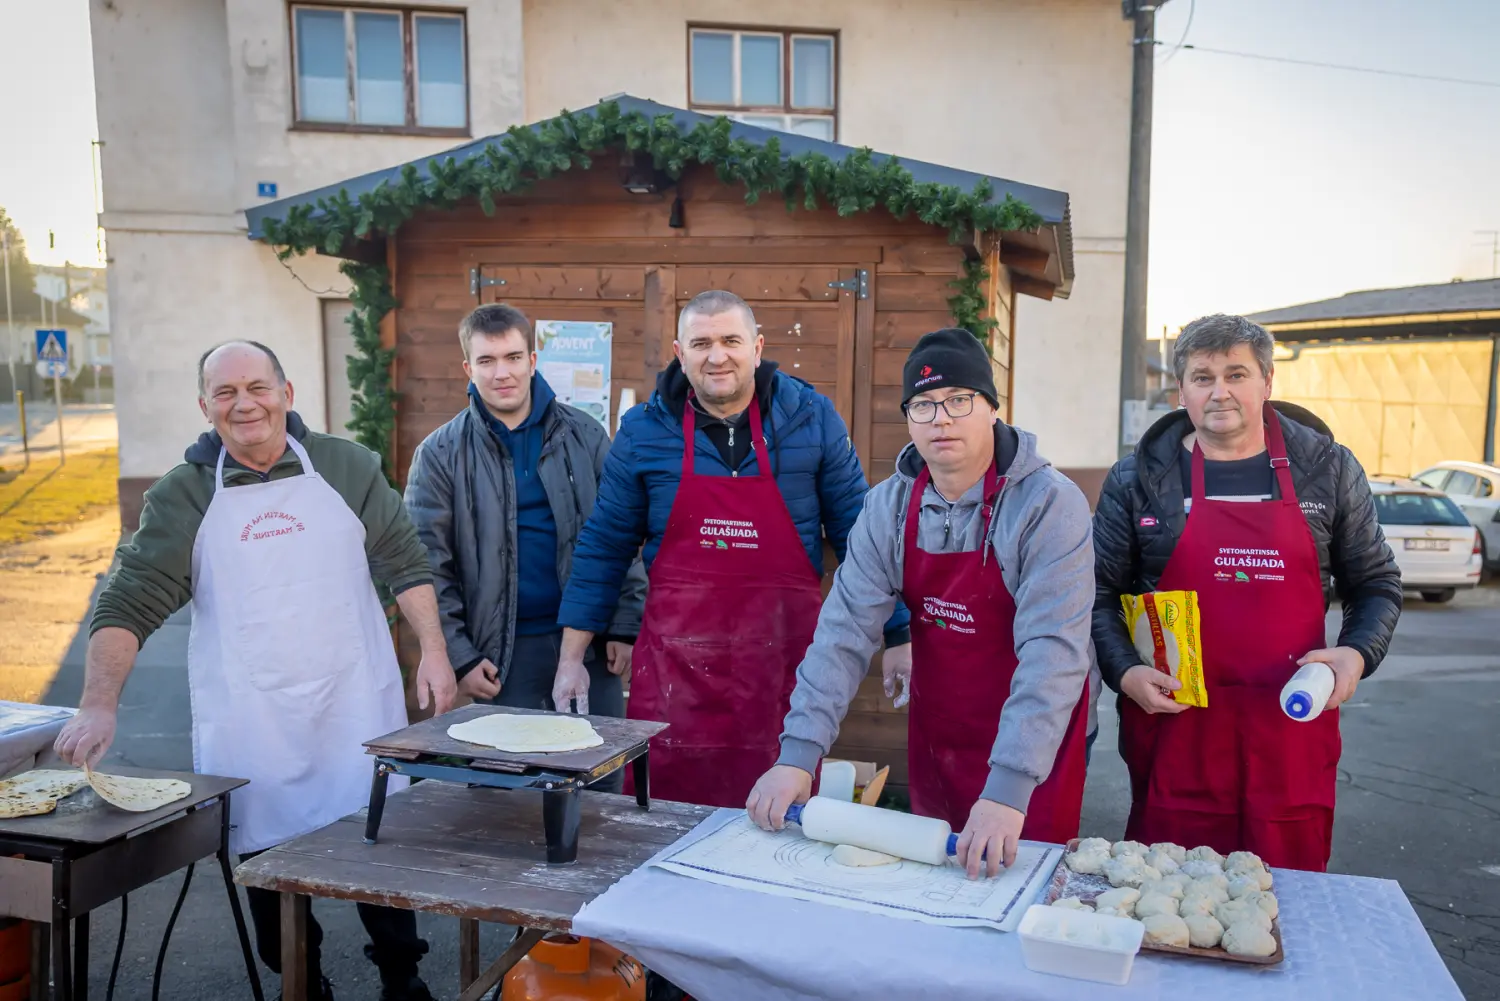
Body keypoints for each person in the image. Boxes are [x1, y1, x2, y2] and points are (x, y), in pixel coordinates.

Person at [54, 341, 456, 1001]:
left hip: (352, 702)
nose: (245, 404)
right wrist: (100, 701)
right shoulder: (182, 494)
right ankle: (302, 981)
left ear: (287, 392)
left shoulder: (344, 465)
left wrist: (434, 649)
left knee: (377, 839)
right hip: (254, 718)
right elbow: (128, 601)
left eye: (258, 387)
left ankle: (401, 976)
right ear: (205, 405)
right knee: (266, 861)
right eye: (225, 392)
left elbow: (404, 559)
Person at [746, 328, 1095, 878]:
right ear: (908, 418)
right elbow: (841, 635)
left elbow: (1054, 653)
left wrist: (1008, 789)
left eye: (959, 400)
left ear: (992, 408)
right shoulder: (887, 507)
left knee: (1021, 891)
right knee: (933, 887)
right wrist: (797, 756)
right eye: (925, 405)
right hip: (943, 733)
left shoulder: (1048, 505)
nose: (942, 419)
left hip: (1034, 747)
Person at [554, 290, 911, 808]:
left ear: (758, 346)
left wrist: (899, 632)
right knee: (667, 820)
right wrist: (571, 657)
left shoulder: (811, 419)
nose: (716, 356)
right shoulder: (643, 433)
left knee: (779, 819)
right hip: (678, 676)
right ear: (680, 353)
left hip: (786, 672)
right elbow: (603, 547)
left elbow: (863, 539)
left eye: (730, 341)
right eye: (701, 343)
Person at [1092, 314, 1402, 871]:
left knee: (1288, 899)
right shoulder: (1137, 478)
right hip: (1173, 727)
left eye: (1236, 374)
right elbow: (1098, 592)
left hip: (1289, 727)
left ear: (1267, 382)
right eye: (1202, 376)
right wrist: (1124, 672)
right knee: (1169, 894)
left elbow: (1376, 582)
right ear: (1181, 388)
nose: (1220, 391)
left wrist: (1355, 656)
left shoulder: (1327, 470)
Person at [403, 304, 646, 741]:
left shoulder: (585, 436)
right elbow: (428, 564)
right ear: (467, 368)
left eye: (513, 357)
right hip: (499, 658)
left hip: (588, 642)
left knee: (599, 779)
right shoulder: (439, 454)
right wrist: (459, 654)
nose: (502, 373)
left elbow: (621, 534)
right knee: (508, 790)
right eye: (487, 361)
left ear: (532, 361)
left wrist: (626, 623)